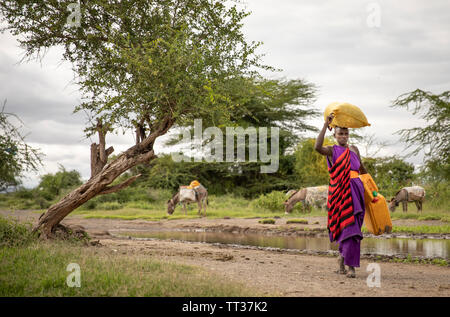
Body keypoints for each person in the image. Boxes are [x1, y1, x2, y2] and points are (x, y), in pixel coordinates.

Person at [314, 113, 368, 278]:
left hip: (357, 191)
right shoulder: (332, 150)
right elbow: (317, 147)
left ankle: (341, 260)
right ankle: (350, 266)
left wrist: (372, 190)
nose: (343, 136)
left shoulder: (354, 150)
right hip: (341, 193)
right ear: (335, 135)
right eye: (340, 134)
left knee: (354, 229)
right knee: (347, 228)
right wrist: (325, 125)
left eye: (346, 134)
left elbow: (362, 170)